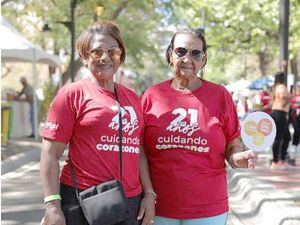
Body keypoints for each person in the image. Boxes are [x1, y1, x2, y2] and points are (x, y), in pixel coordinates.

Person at [40, 21, 155, 225]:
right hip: (83, 200)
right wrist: (52, 205)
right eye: (96, 52)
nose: (105, 57)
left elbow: (138, 151)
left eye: (113, 51)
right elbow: (50, 152)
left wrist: (149, 194)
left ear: (121, 55)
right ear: (84, 57)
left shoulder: (133, 98)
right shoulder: (71, 94)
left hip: (130, 203)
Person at [141, 28, 258, 225]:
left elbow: (232, 145)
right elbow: (139, 149)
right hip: (159, 207)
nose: (187, 59)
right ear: (170, 55)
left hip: (208, 209)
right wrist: (146, 192)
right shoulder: (152, 96)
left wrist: (239, 159)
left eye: (196, 53)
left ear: (203, 59)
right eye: (180, 51)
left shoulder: (220, 96)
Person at [270, 72, 292, 169]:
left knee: (285, 137)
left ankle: (281, 160)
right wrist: (290, 96)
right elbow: (282, 96)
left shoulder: (276, 87)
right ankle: (276, 161)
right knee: (280, 137)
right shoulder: (282, 87)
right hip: (279, 113)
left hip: (277, 113)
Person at [289, 81, 300, 160]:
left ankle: (297, 145)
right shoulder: (292, 96)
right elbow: (290, 105)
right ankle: (294, 145)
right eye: (298, 87)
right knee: (296, 130)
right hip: (294, 117)